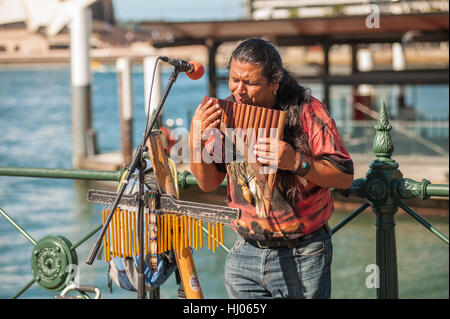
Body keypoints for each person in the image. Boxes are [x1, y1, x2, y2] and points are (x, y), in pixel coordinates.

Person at [189, 38, 354, 299]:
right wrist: (195, 139)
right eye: (233, 79)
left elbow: (344, 176)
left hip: (303, 254)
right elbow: (208, 183)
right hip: (244, 252)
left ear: (275, 83)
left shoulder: (307, 111)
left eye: (250, 83)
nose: (238, 91)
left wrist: (296, 162)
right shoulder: (227, 113)